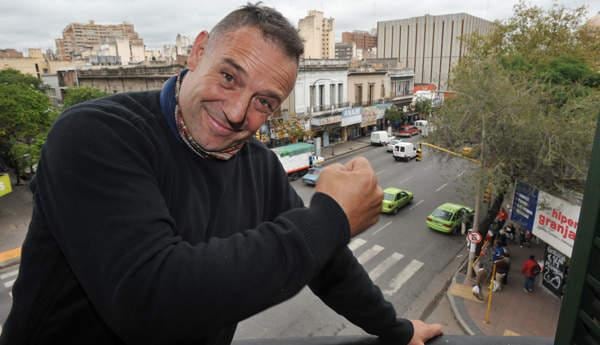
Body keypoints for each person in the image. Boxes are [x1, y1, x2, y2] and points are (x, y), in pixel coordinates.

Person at [0, 4, 442, 345]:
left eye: (264, 102)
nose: (236, 113)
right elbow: (148, 298)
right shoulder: (96, 134)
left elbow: (328, 267)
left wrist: (398, 331)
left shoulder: (259, 168)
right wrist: (331, 217)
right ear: (196, 52)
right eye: (229, 77)